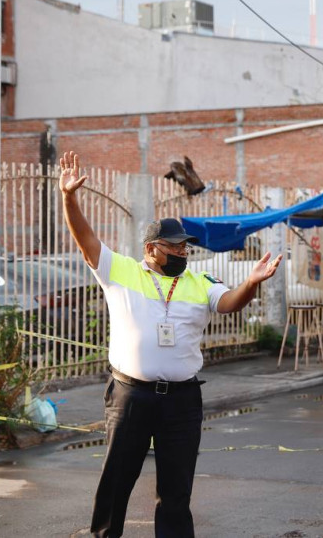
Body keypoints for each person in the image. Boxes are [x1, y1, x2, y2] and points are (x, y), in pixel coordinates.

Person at [58, 151, 282, 538]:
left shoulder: (200, 281)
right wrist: (69, 198)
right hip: (131, 396)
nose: (181, 252)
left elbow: (228, 304)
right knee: (116, 483)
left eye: (184, 247)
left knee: (176, 491)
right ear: (150, 249)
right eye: (173, 246)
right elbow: (85, 238)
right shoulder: (121, 271)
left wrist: (249, 283)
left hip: (181, 400)